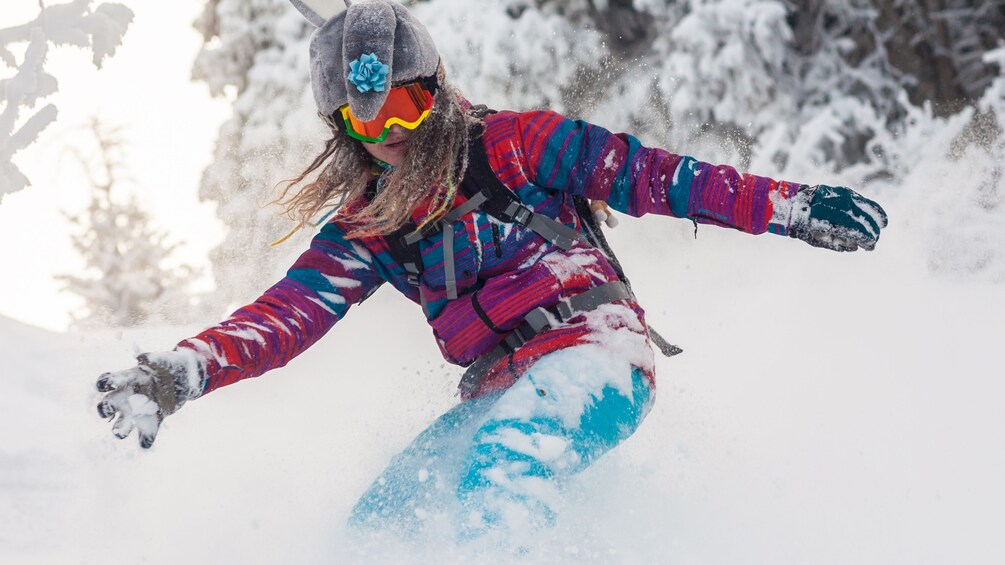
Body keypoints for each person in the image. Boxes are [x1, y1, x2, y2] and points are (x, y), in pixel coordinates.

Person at [95, 0, 888, 545]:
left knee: (497, 480)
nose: (389, 136)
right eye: (362, 122)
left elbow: (659, 176)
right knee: (386, 520)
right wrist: (184, 370)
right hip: (499, 383)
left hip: (595, 351)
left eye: (403, 108)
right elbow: (285, 314)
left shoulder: (515, 145)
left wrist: (788, 206)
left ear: (434, 91)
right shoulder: (371, 223)